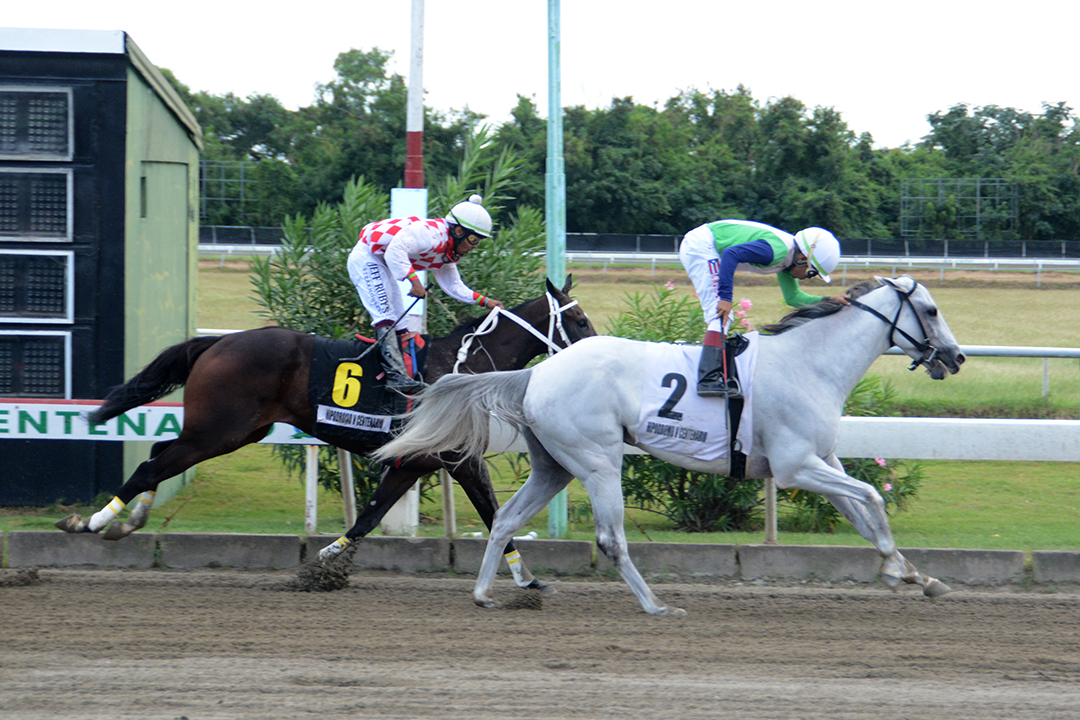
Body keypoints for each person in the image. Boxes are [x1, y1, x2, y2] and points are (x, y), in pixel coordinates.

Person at [348, 194, 504, 392]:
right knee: (385, 315)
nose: (474, 246)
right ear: (458, 231)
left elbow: (453, 285)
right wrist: (414, 282)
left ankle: (404, 372)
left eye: (478, 241)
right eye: (473, 239)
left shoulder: (447, 250)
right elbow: (395, 249)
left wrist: (485, 301)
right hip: (367, 257)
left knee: (400, 324)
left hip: (384, 264)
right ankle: (395, 375)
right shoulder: (432, 235)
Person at [678, 218, 843, 397]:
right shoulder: (777, 252)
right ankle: (708, 379)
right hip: (701, 245)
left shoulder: (788, 260)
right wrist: (725, 297)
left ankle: (716, 374)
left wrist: (830, 301)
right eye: (812, 272)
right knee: (720, 312)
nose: (808, 277)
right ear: (802, 258)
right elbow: (730, 254)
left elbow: (794, 298)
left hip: (708, 244)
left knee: (724, 313)